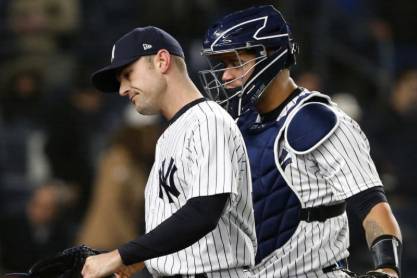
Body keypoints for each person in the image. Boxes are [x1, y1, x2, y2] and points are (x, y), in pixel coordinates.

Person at [199, 5, 402, 278]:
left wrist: (386, 268)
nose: (225, 76)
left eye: (236, 62)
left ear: (269, 56)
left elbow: (373, 207)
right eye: (223, 65)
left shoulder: (317, 121)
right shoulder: (239, 125)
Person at [81, 26, 257, 278]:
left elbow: (204, 212)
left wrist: (122, 254)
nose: (122, 89)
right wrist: (144, 259)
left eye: (128, 74)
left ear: (162, 61)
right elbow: (181, 229)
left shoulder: (208, 120)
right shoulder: (167, 138)